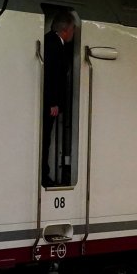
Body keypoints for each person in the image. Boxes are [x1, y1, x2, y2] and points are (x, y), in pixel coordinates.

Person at [42, 11, 75, 186]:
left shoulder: (50, 41)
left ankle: (44, 175)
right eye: (73, 29)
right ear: (66, 30)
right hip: (49, 103)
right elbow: (51, 75)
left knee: (46, 140)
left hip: (49, 102)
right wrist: (53, 102)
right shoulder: (54, 45)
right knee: (45, 140)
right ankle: (44, 177)